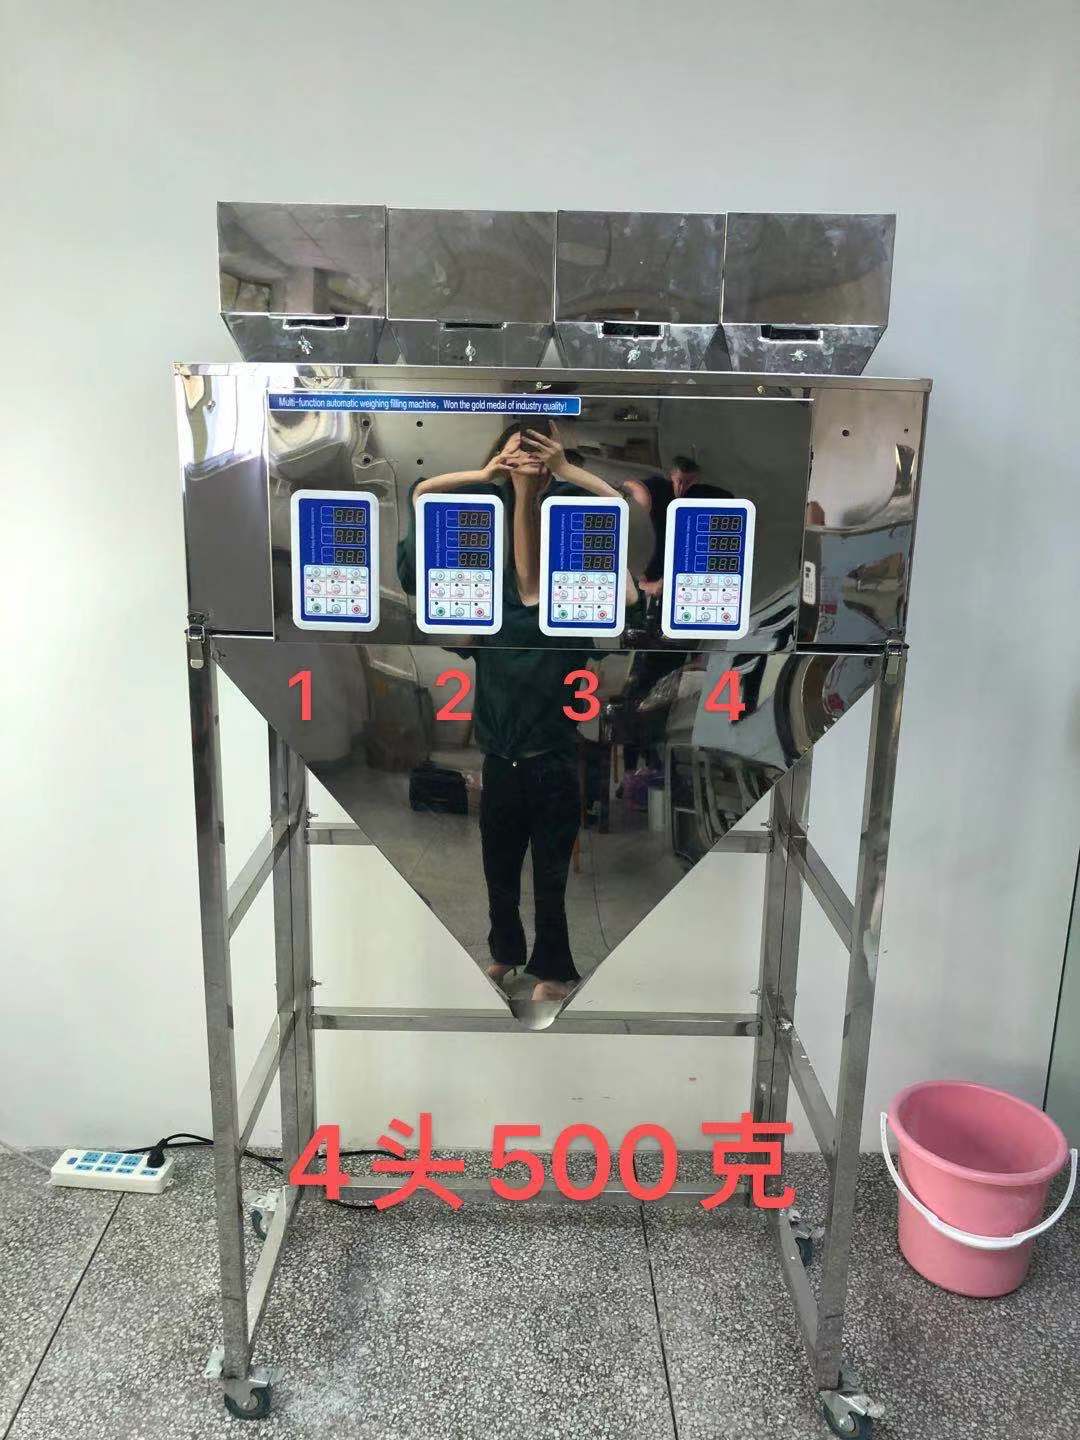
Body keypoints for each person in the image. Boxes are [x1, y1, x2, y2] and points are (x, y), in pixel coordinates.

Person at [399, 420, 635, 1004]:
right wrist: (485, 476)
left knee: (550, 870)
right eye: (517, 449)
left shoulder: (572, 515)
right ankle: (505, 951)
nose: (528, 458)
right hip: (500, 742)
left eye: (540, 448)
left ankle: (553, 967)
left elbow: (619, 541)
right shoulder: (481, 525)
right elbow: (421, 505)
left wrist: (565, 471)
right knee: (498, 865)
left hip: (553, 742)